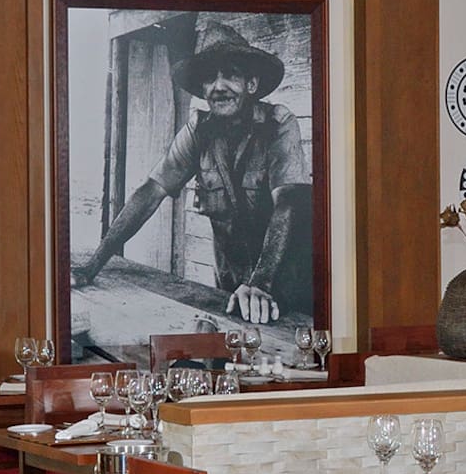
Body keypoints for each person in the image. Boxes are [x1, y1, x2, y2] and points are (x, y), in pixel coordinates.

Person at [75, 18, 312, 324]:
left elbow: (288, 202)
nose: (219, 86)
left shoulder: (279, 123)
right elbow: (151, 192)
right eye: (210, 78)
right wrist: (93, 265)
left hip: (285, 286)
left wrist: (261, 283)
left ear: (251, 85)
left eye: (231, 75)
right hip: (230, 287)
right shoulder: (199, 130)